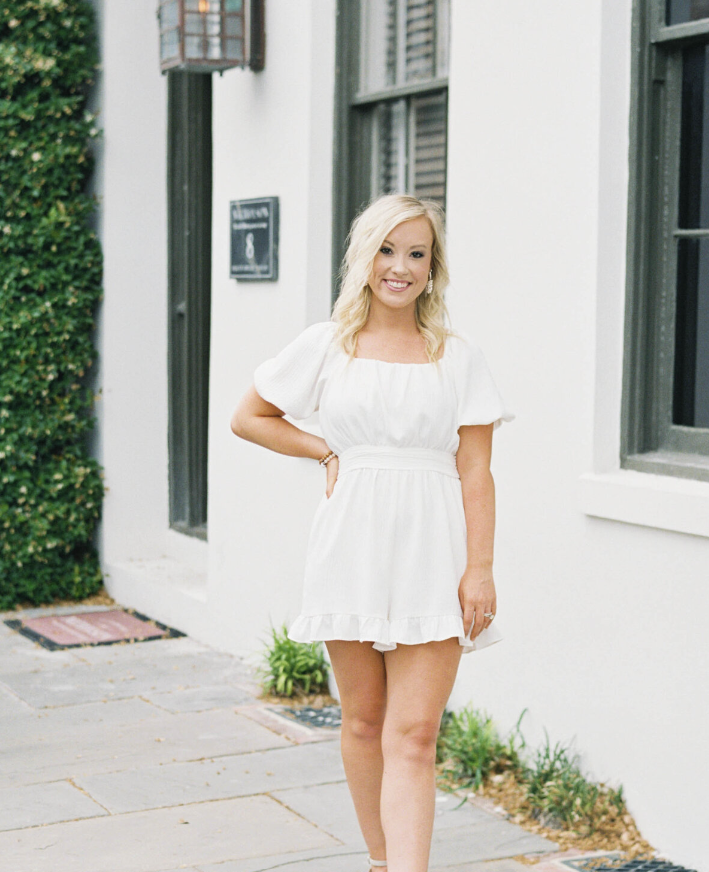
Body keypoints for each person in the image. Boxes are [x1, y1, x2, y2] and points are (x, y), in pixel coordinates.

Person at [231, 193, 513, 872]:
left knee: (414, 734)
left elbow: (476, 471)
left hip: (433, 549)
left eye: (416, 254)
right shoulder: (328, 343)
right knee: (361, 721)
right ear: (364, 257)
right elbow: (250, 416)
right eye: (388, 250)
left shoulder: (458, 356)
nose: (400, 267)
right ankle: (381, 860)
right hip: (350, 541)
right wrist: (325, 450)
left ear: (432, 267)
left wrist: (480, 568)